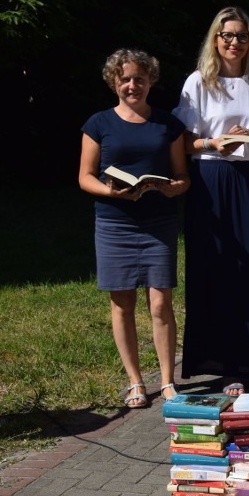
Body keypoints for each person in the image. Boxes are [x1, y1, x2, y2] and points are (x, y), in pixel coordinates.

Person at [172, 6, 249, 396]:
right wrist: (214, 142)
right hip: (212, 179)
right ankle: (228, 365)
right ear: (215, 40)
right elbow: (184, 140)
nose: (234, 42)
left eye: (241, 35)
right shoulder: (198, 82)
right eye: (227, 36)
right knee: (220, 271)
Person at [79, 49, 190, 408]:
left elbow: (182, 176)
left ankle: (168, 380)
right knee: (122, 302)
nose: (132, 85)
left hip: (159, 221)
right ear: (114, 81)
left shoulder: (167, 124)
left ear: (150, 81)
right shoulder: (98, 123)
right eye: (125, 79)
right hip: (115, 222)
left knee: (161, 303)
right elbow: (84, 177)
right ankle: (135, 382)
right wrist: (113, 192)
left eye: (139, 79)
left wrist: (175, 187)